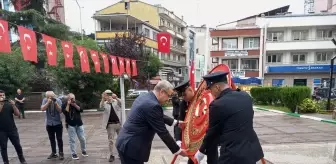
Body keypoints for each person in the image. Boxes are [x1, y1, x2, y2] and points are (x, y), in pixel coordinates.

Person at [194, 71, 264, 164]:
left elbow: (212, 133)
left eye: (211, 90)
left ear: (217, 87)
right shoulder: (245, 96)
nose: (211, 93)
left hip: (232, 156)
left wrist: (200, 152)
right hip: (251, 152)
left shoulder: (217, 105)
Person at [116, 80, 187, 164]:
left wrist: (176, 123)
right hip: (132, 148)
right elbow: (163, 132)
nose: (168, 99)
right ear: (161, 92)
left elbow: (157, 115)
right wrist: (178, 150)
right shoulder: (153, 105)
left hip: (125, 142)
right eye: (168, 95)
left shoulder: (146, 97)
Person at [174, 80, 218, 164]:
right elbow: (180, 122)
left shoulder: (203, 97)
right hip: (194, 139)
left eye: (184, 95)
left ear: (190, 90)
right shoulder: (184, 104)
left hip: (208, 136)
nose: (184, 98)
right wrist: (178, 140)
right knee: (192, 161)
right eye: (182, 97)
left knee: (213, 159)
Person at [0, 90, 27, 164]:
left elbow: (17, 114)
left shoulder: (9, 104)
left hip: (12, 129)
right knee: (3, 147)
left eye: (3, 95)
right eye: (0, 95)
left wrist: (13, 105)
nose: (2, 97)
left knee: (17, 145)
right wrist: (1, 104)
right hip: (1, 130)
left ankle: (22, 160)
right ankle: (6, 161)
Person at [62, 93, 88, 160]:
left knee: (82, 138)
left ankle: (84, 150)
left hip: (79, 123)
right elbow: (65, 112)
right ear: (68, 98)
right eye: (71, 98)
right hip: (70, 124)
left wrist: (75, 104)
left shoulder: (77, 102)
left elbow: (81, 110)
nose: (73, 100)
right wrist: (68, 104)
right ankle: (73, 153)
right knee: (72, 140)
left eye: (73, 98)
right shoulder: (65, 104)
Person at [40, 91, 64, 160]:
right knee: (51, 138)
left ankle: (61, 153)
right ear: (46, 97)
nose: (50, 98)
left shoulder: (58, 100)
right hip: (49, 123)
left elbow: (60, 111)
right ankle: (54, 153)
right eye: (48, 97)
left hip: (58, 122)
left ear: (54, 96)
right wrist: (48, 102)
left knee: (59, 138)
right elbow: (42, 109)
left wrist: (55, 103)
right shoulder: (45, 100)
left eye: (52, 97)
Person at [100, 90, 122, 162]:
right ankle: (112, 155)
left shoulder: (116, 101)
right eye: (107, 94)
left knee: (121, 140)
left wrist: (116, 98)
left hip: (118, 124)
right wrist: (103, 99)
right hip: (110, 125)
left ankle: (121, 154)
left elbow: (122, 103)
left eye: (110, 94)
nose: (109, 95)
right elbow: (101, 107)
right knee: (111, 141)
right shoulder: (105, 103)